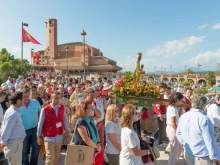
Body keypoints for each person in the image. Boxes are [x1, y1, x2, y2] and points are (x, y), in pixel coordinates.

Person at [176, 95, 220, 165]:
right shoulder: (204, 119)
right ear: (204, 105)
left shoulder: (183, 116)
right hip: (202, 157)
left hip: (188, 153)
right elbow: (210, 142)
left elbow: (178, 134)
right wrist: (217, 158)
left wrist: (186, 146)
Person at [37, 91, 69, 165]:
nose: (57, 100)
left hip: (59, 136)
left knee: (56, 157)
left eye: (58, 98)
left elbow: (64, 119)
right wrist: (38, 136)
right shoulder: (45, 109)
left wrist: (67, 130)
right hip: (49, 137)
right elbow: (40, 123)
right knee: (50, 157)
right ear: (51, 98)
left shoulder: (62, 107)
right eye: (55, 98)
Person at [0, 92, 26, 165]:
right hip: (14, 146)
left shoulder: (14, 111)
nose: (24, 100)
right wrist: (3, 143)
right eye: (23, 98)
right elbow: (6, 129)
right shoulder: (13, 113)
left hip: (15, 146)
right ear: (18, 101)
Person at [20, 88, 41, 165]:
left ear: (29, 95)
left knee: (36, 148)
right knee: (24, 150)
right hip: (23, 131)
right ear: (21, 97)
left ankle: (33, 163)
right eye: (24, 96)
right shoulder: (19, 105)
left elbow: (40, 113)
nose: (26, 98)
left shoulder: (35, 102)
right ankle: (25, 163)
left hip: (35, 129)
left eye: (27, 96)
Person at [166, 92, 183, 165]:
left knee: (177, 148)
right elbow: (173, 122)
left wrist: (181, 109)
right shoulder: (172, 108)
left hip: (173, 128)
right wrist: (177, 133)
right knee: (174, 150)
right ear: (177, 99)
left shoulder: (175, 107)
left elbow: (177, 118)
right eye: (181, 100)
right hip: (172, 129)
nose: (182, 102)